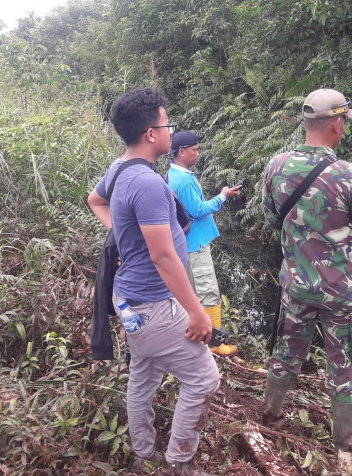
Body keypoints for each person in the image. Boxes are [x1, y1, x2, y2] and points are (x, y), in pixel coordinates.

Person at [87, 88, 219, 476]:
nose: (169, 131)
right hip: (152, 304)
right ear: (151, 133)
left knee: (143, 375)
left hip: (130, 302)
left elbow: (94, 201)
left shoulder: (120, 169)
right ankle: (178, 463)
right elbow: (163, 257)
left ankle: (143, 452)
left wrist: (127, 239)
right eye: (167, 124)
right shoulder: (147, 184)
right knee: (204, 380)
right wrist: (197, 313)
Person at [260, 89, 352, 454]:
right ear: (337, 123)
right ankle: (344, 446)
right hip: (341, 293)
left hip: (296, 286)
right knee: (344, 369)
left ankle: (271, 417)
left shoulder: (276, 166)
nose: (344, 126)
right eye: (344, 121)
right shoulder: (350, 175)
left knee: (286, 352)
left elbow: (270, 220)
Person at [167, 130, 242, 356]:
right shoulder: (183, 180)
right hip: (196, 245)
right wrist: (223, 196)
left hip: (187, 243)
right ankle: (215, 345)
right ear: (182, 152)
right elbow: (198, 210)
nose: (198, 153)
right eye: (194, 150)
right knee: (207, 292)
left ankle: (196, 338)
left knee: (191, 292)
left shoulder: (172, 174)